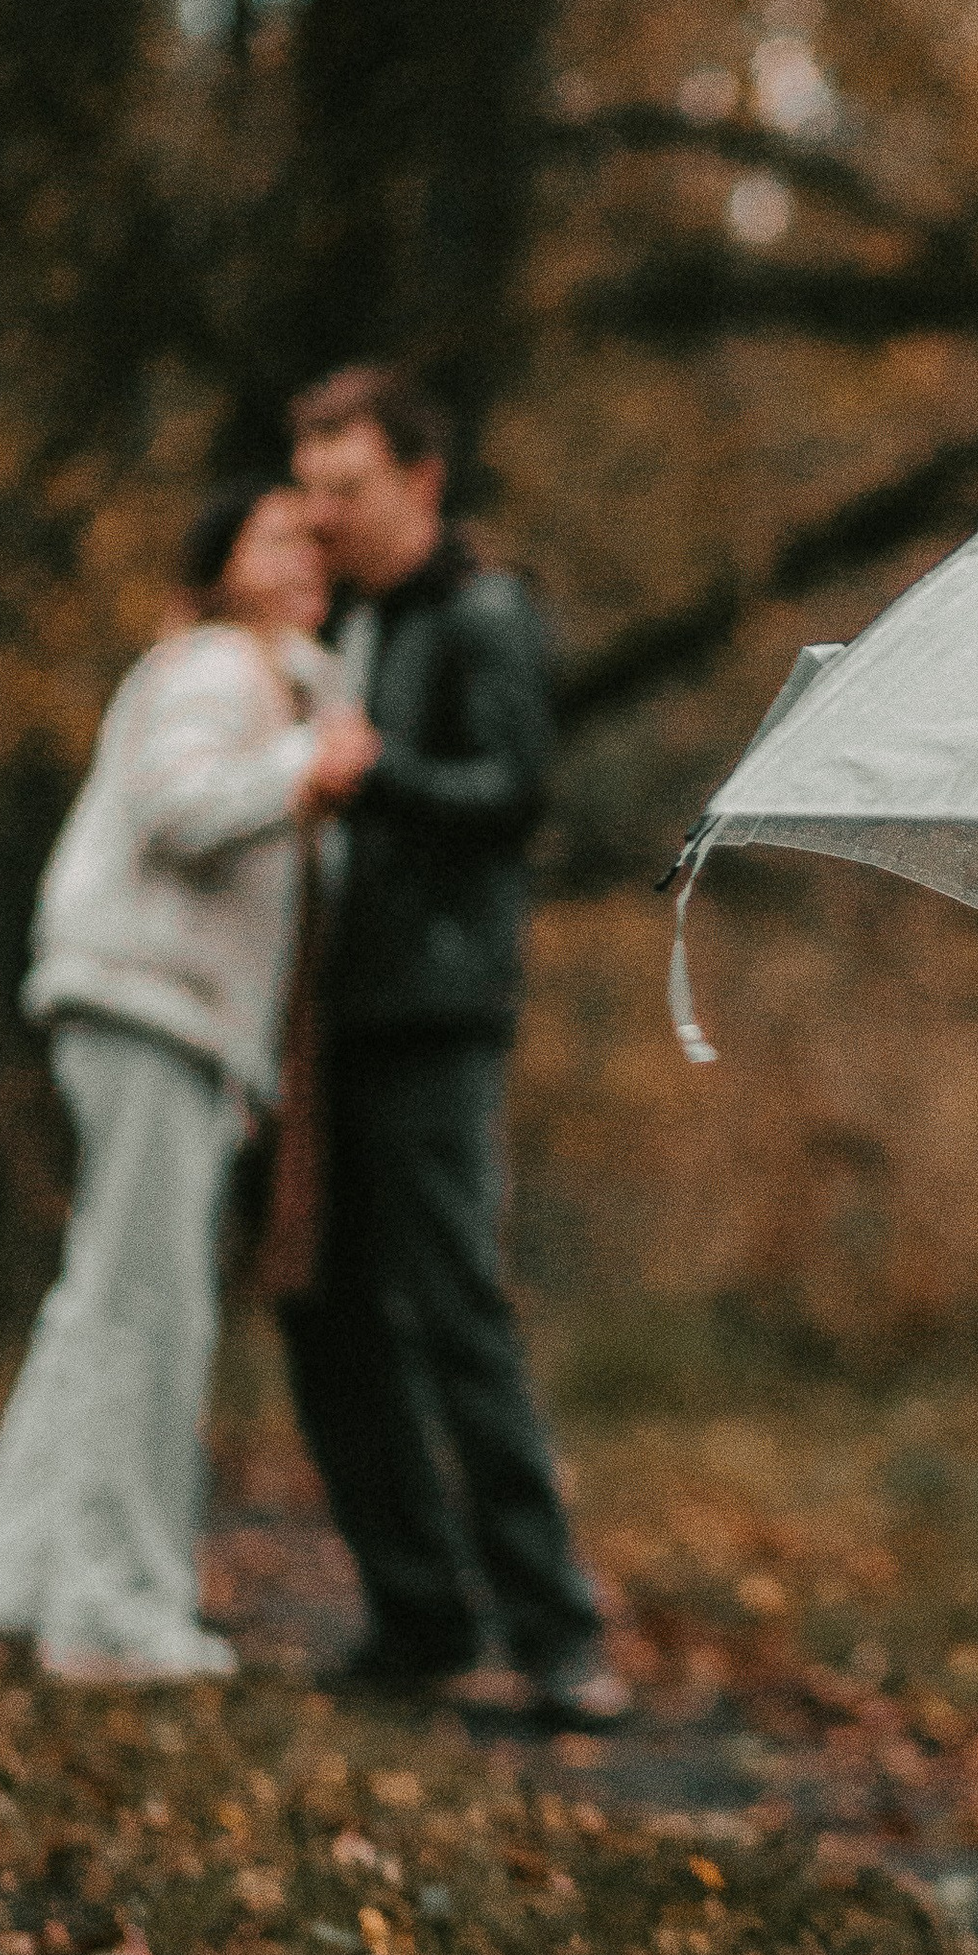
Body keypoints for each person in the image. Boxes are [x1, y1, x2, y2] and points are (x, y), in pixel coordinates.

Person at [0, 485, 373, 1684]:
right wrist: (307, 764)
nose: (307, 554)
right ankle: (113, 1619)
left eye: (317, 542)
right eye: (277, 536)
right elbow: (177, 809)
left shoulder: (279, 681)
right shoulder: (217, 667)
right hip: (149, 1004)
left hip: (161, 1013)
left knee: (98, 1307)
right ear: (222, 560)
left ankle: (3, 1599)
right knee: (150, 1314)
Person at [282, 362, 625, 1725]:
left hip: (434, 1016)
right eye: (308, 489)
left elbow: (516, 793)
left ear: (421, 481)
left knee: (455, 1312)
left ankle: (559, 1639)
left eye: (346, 487)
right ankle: (418, 1618)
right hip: (323, 1020)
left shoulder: (486, 613)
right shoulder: (334, 619)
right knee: (323, 1313)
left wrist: (381, 778)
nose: (321, 514)